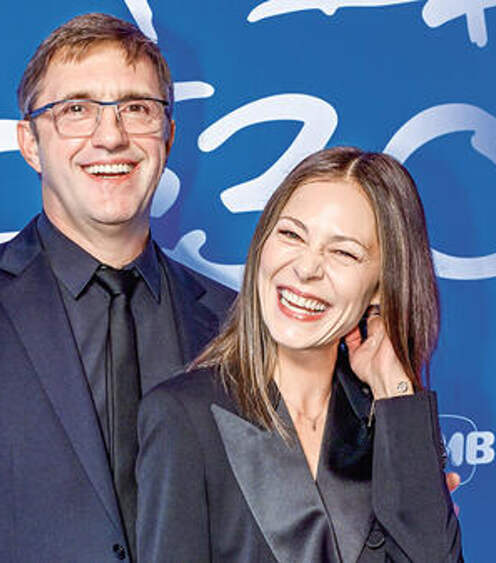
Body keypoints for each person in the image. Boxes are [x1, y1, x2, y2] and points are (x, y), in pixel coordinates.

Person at [0, 13, 235, 561]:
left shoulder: (231, 321)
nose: (110, 137)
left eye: (136, 108)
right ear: (31, 143)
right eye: (76, 110)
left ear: (168, 135)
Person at [137, 147, 463, 562]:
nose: (306, 268)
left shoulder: (391, 423)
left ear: (381, 285)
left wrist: (396, 389)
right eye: (291, 235)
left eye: (344, 253)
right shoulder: (183, 415)